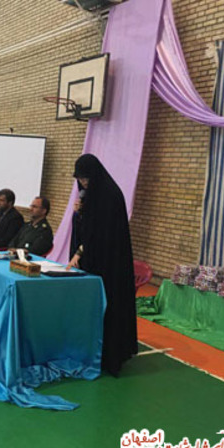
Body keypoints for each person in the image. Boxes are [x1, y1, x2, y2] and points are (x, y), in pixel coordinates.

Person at [67, 154, 138, 376]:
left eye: (85, 179)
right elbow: (87, 230)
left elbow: (103, 234)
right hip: (94, 262)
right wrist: (79, 214)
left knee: (110, 307)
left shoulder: (110, 196)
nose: (83, 183)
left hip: (110, 265)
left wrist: (81, 251)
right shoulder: (91, 197)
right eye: (80, 180)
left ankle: (110, 355)